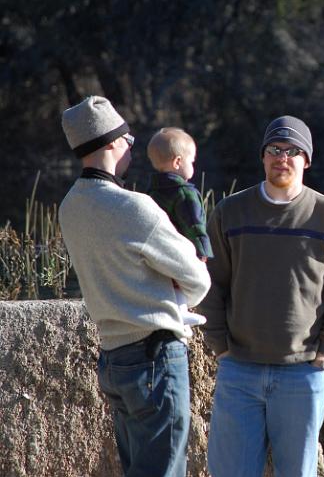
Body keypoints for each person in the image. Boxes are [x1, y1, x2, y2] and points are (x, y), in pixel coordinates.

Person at [198, 115, 324, 477]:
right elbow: (210, 284)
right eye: (274, 149)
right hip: (239, 371)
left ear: (306, 160)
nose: (282, 158)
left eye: (292, 151)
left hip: (302, 376)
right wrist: (221, 346)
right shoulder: (230, 212)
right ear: (262, 156)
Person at [58, 95, 211, 477]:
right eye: (129, 141)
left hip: (113, 358)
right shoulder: (135, 207)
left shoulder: (69, 207)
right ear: (112, 143)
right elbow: (198, 277)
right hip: (155, 356)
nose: (132, 150)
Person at [146, 126, 212, 325]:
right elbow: (194, 223)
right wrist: (202, 250)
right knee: (180, 279)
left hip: (157, 247)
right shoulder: (185, 193)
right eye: (192, 161)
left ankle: (168, 308)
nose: (193, 166)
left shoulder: (151, 192)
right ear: (178, 162)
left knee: (166, 279)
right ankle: (181, 310)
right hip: (182, 246)